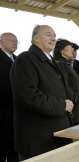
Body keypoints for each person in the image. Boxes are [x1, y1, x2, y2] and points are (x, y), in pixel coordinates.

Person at [10, 25, 74, 161]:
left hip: (55, 136)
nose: (53, 38)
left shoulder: (50, 60)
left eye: (55, 35)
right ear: (36, 38)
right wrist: (61, 105)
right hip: (38, 140)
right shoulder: (25, 59)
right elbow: (27, 96)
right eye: (48, 34)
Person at [53, 39, 79, 125]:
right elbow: (64, 85)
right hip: (72, 107)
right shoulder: (61, 64)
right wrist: (75, 98)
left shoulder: (66, 64)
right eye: (69, 47)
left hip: (76, 106)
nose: (72, 50)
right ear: (61, 50)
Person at [0, 33, 19, 162]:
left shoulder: (18, 59)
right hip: (2, 112)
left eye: (17, 41)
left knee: (15, 151)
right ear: (1, 42)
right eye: (12, 40)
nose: (15, 43)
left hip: (16, 114)